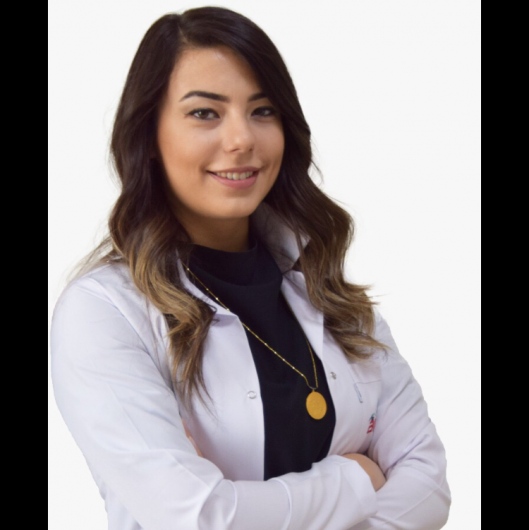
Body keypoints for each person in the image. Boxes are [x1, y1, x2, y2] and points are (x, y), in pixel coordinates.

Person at [50, 6, 451, 530]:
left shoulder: (330, 291)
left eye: (262, 111)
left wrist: (244, 504)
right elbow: (198, 516)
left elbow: (429, 486)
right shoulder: (102, 314)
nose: (242, 140)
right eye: (205, 113)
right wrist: (356, 476)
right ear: (148, 136)